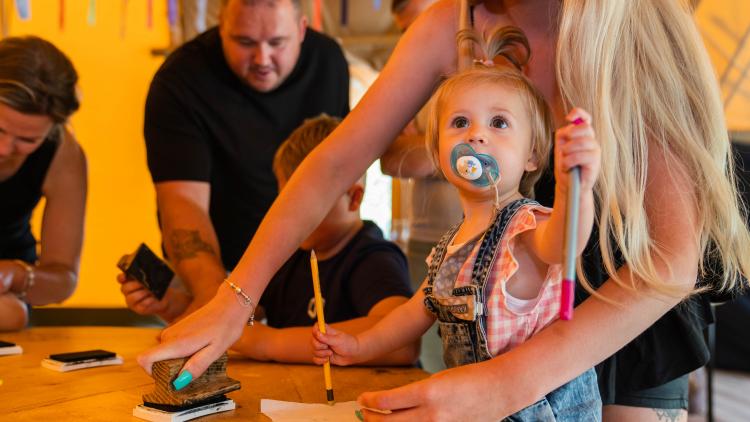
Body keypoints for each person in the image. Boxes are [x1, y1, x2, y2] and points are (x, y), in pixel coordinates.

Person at [139, 1, 750, 421]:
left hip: (631, 297)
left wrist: (506, 383)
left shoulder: (633, 23)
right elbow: (333, 163)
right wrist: (234, 297)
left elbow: (670, 258)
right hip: (529, 281)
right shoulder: (452, 23)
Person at [313, 28, 602, 421]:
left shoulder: (528, 226)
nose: (477, 135)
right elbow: (415, 313)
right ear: (438, 153)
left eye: (499, 123)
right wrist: (360, 346)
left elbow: (565, 243)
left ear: (533, 154)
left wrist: (573, 190)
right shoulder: (451, 246)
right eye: (461, 122)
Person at [118, 0, 349, 321]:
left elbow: (339, 174)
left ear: (301, 29)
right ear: (221, 26)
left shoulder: (328, 62)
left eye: (277, 42)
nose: (262, 59)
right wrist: (217, 300)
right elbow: (184, 203)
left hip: (309, 261)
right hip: (217, 265)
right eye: (244, 42)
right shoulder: (180, 80)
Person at [230, 115, 417, 364]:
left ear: (353, 198)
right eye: (285, 203)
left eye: (303, 203)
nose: (290, 216)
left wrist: (270, 343)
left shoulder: (373, 257)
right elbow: (243, 312)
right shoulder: (290, 257)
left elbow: (402, 345)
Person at [380, 0, 461, 373]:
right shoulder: (411, 75)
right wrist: (457, 152)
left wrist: (426, 149)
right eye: (405, 30)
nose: (414, 39)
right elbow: (391, 158)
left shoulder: (488, 66)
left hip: (483, 236)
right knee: (428, 361)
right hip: (426, 242)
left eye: (424, 24)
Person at [0, 36, 86, 331]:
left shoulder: (62, 153)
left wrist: (15, 274)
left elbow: (63, 280)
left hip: (6, 294)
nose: (4, 148)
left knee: (11, 314)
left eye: (27, 140)